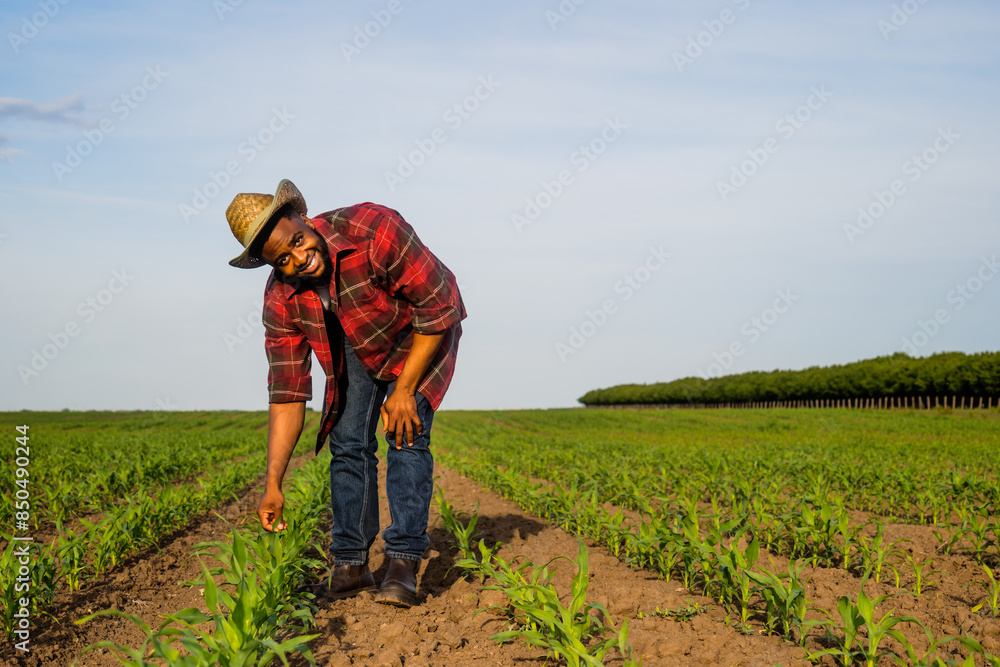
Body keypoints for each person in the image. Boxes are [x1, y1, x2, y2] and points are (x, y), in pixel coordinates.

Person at [225, 179, 466, 607]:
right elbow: (287, 393)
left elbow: (437, 304)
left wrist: (404, 389)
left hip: (422, 331)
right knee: (347, 442)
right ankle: (351, 566)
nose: (300, 258)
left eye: (297, 240)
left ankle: (402, 562)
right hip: (360, 339)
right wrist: (273, 484)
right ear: (270, 265)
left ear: (302, 217)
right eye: (283, 259)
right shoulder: (281, 299)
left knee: (405, 434)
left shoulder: (374, 229)